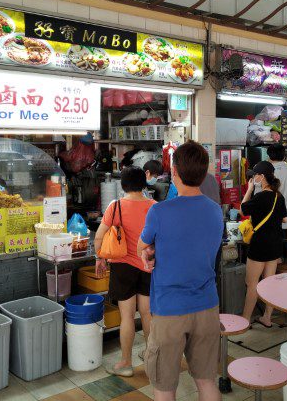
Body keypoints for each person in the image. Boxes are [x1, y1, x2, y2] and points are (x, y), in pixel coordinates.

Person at [137, 141, 223, 401]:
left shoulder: (159, 211)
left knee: (165, 386)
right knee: (207, 381)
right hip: (207, 305)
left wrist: (149, 252)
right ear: (204, 172)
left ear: (174, 172)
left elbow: (143, 244)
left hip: (169, 309)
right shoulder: (215, 210)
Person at [94, 166, 154, 377]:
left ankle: (126, 363)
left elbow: (99, 237)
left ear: (123, 185)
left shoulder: (115, 207)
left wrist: (100, 257)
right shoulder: (155, 207)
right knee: (147, 314)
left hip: (122, 267)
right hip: (148, 266)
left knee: (127, 316)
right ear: (144, 183)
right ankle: (150, 358)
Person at [239, 161, 287, 328]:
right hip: (275, 244)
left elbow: (242, 209)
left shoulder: (259, 197)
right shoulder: (278, 196)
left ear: (261, 177)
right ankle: (267, 317)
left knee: (252, 283)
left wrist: (249, 190)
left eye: (255, 175)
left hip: (259, 245)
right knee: (269, 283)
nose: (253, 178)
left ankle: (245, 320)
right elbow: (284, 218)